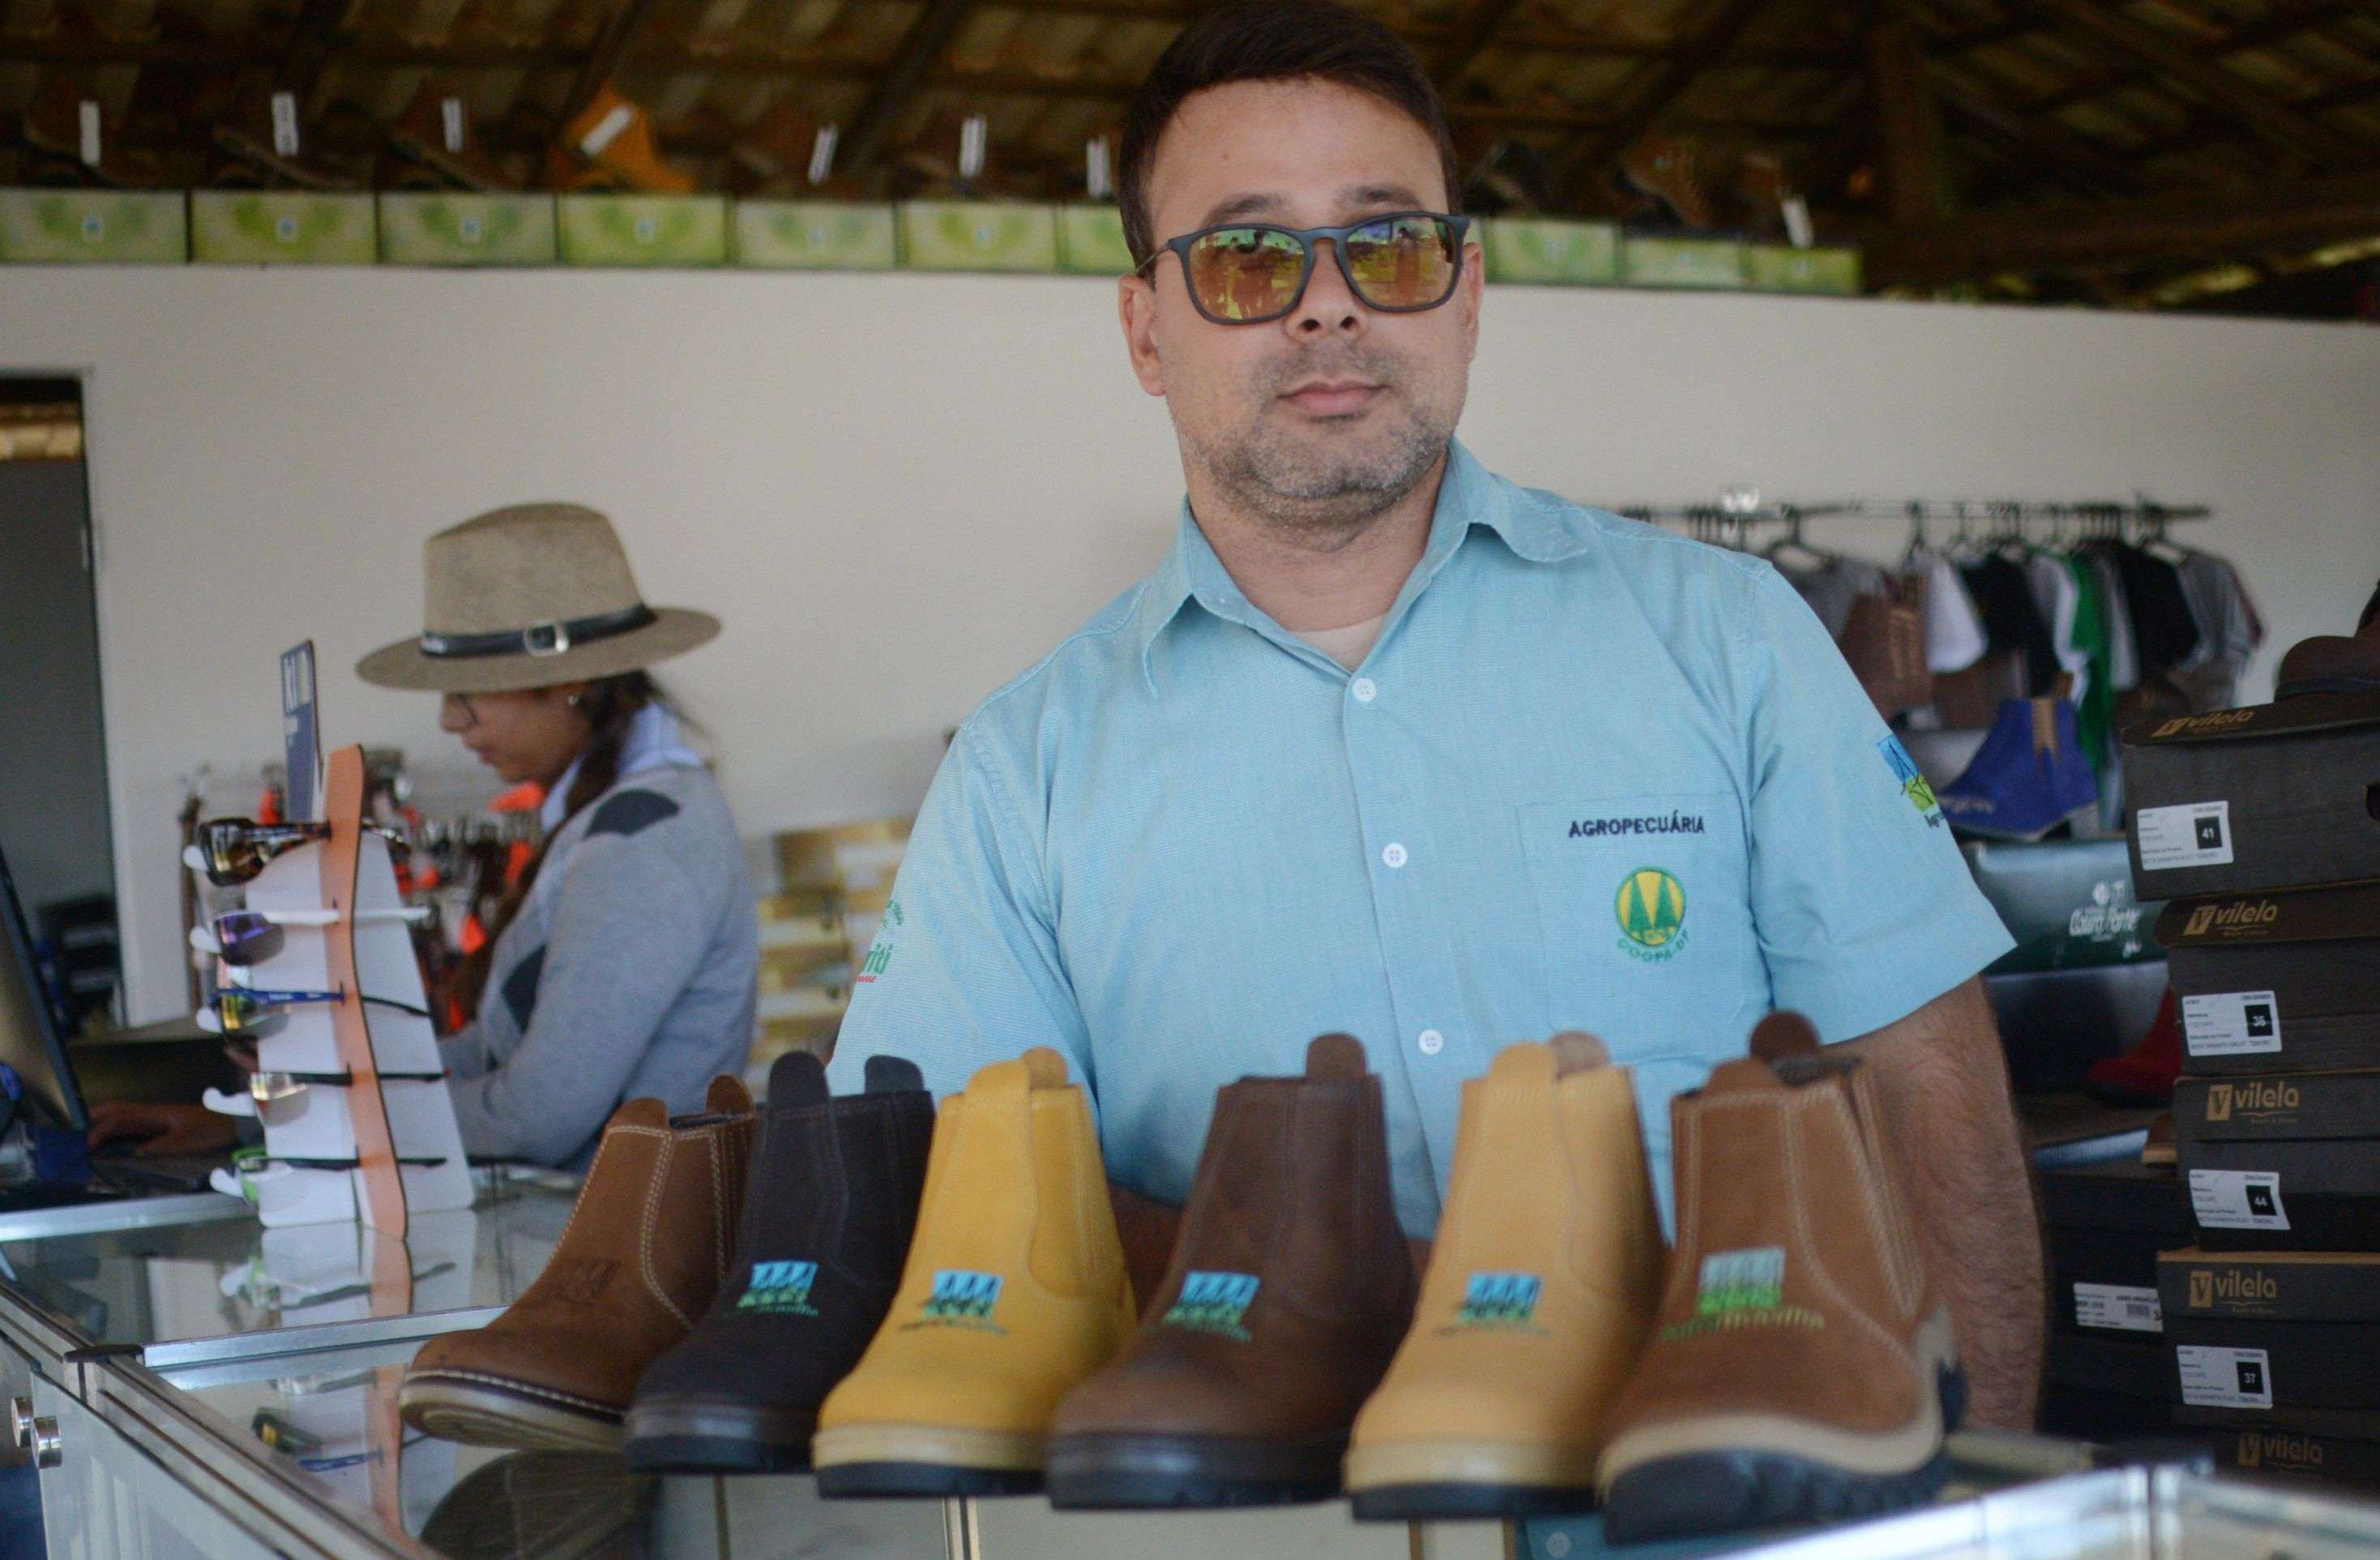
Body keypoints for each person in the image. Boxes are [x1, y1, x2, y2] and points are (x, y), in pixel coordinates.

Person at [829, 0, 2042, 1429]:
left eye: (1388, 243)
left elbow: (1926, 1085)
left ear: (1464, 298)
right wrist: (1333, 1291)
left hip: (1736, 1492)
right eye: (1244, 255)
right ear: (1143, 328)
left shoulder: (1726, 638)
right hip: (1269, 1520)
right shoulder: (1021, 770)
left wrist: (1987, 1495)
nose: (1327, 302)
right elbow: (961, 1186)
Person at [92, 503, 757, 1169]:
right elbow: (487, 1059)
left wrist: (306, 1116)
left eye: (469, 691)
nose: (448, 720)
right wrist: (270, 1111)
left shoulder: (646, 840)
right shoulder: (612, 817)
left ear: (572, 680)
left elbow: (531, 1117)